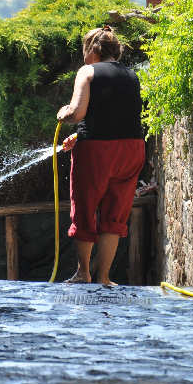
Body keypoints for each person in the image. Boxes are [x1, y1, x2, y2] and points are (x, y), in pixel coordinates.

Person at [56, 25, 145, 285]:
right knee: (114, 215)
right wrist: (80, 136)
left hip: (97, 153)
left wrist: (64, 114)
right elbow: (115, 115)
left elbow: (78, 113)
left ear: (92, 49)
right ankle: (104, 277)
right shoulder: (131, 75)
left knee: (84, 209)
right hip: (131, 149)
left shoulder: (88, 71)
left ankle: (84, 273)